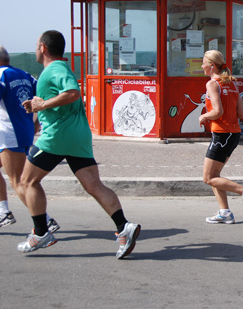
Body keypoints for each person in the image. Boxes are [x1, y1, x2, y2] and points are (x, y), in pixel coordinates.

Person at [17, 30, 140, 259]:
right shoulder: (56, 70)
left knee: (27, 181)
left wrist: (41, 106)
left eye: (36, 45)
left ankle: (41, 232)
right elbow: (56, 100)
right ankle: (124, 227)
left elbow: (72, 93)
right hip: (77, 136)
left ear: (43, 47)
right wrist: (38, 107)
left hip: (58, 137)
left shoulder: (55, 68)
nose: (35, 49)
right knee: (93, 185)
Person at [0, 45, 59, 233]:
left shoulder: (1, 75)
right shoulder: (25, 75)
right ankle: (3, 211)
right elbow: (42, 98)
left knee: (18, 181)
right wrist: (35, 125)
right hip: (23, 130)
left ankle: (46, 220)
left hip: (9, 134)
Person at [199, 50, 243, 224]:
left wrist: (204, 116)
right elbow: (241, 114)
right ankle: (225, 212)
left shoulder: (212, 84)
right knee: (215, 175)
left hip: (222, 134)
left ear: (212, 66)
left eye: (203, 63)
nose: (201, 66)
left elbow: (217, 111)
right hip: (233, 134)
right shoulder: (232, 83)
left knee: (208, 177)